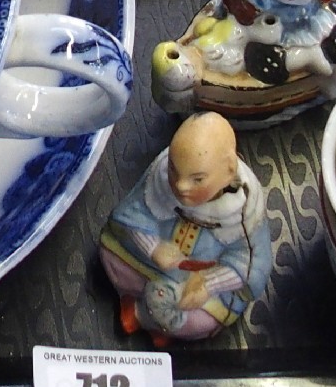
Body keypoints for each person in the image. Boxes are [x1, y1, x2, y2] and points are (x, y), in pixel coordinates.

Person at [97, 112, 272, 345]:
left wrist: (208, 284)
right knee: (111, 259)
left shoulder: (245, 213)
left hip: (194, 285)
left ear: (229, 170)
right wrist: (153, 248)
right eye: (173, 170)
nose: (180, 186)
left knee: (200, 320)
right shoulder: (160, 178)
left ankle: (145, 316)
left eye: (197, 180)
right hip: (147, 265)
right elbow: (130, 216)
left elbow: (251, 264)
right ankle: (155, 315)